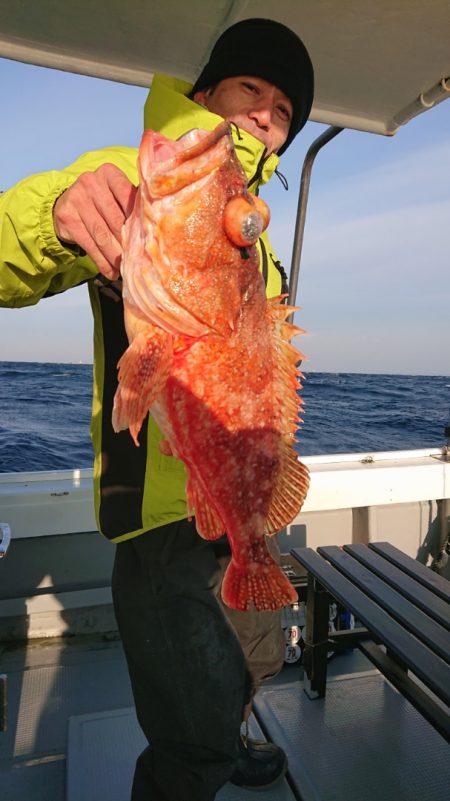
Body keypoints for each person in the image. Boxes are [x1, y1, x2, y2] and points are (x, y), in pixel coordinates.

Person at [0, 17, 314, 801]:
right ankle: (200, 757)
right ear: (207, 91)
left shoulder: (252, 229)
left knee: (248, 659)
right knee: (186, 729)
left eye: (283, 109)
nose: (264, 114)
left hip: (237, 505)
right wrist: (55, 215)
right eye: (252, 88)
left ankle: (230, 731)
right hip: (163, 524)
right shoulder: (144, 174)